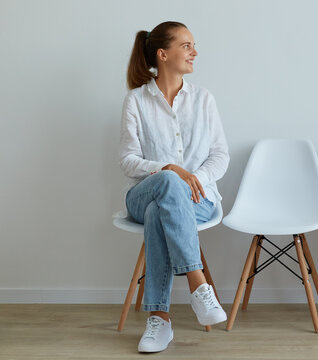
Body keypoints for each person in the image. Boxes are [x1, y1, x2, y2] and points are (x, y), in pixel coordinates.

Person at [118, 21, 229, 353]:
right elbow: (127, 160)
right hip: (142, 194)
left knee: (159, 212)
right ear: (163, 54)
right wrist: (167, 169)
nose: (194, 52)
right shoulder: (136, 100)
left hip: (198, 200)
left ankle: (159, 320)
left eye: (193, 46)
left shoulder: (203, 99)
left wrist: (196, 180)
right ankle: (198, 284)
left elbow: (220, 156)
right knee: (166, 181)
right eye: (186, 46)